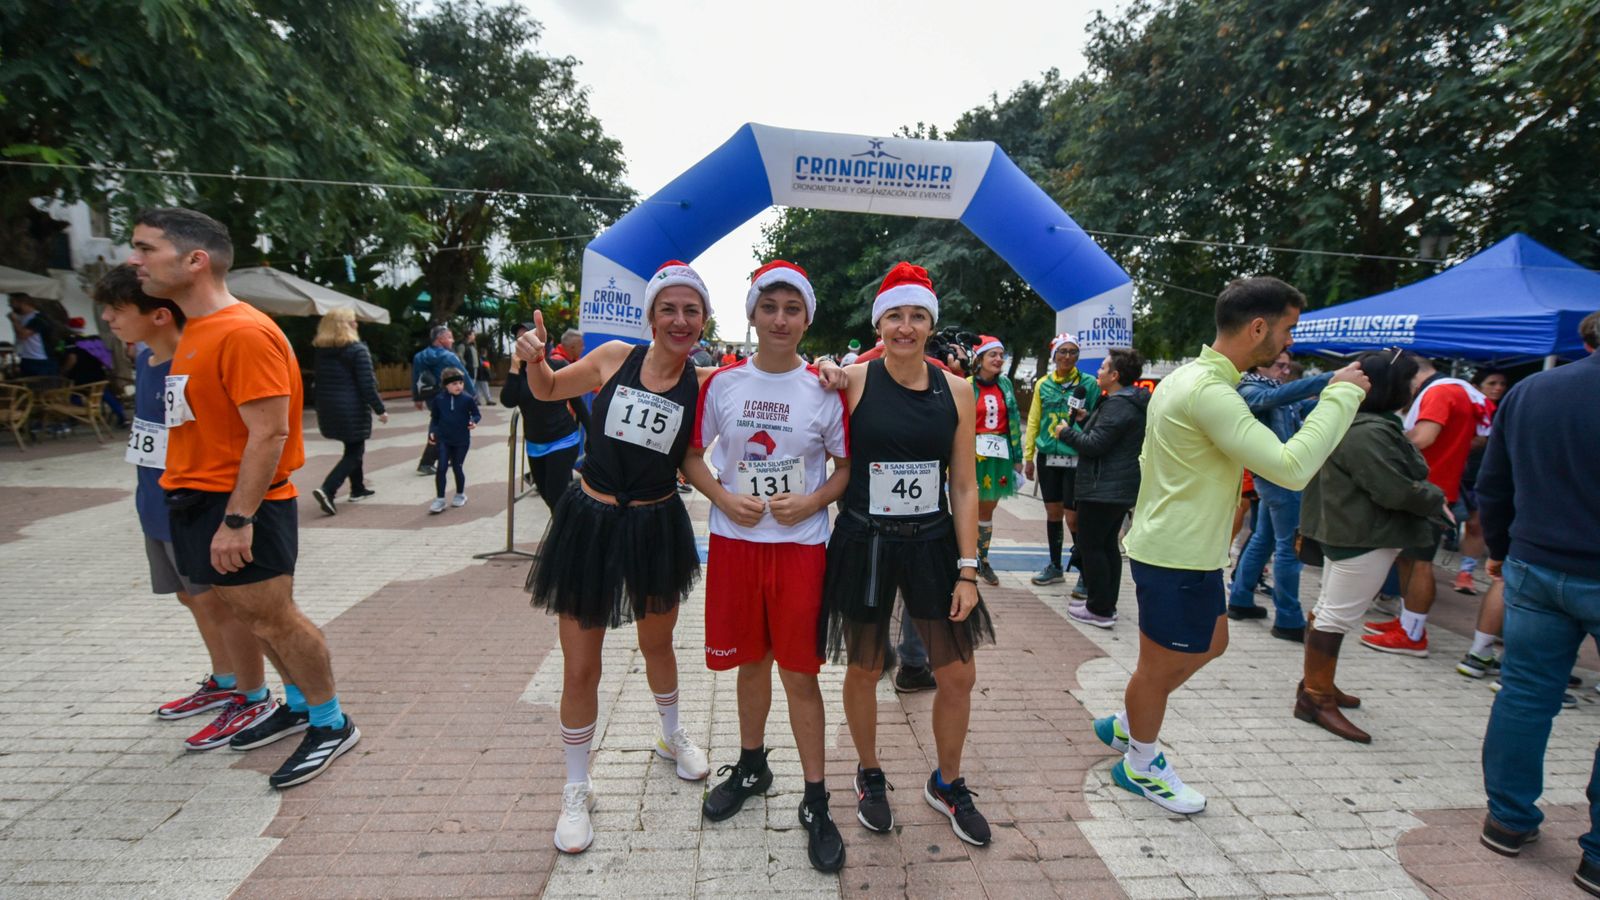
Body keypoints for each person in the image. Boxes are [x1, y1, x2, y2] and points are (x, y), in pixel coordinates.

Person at [1093, 276, 1368, 814]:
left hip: (1186, 549)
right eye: (1288, 330)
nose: (1290, 343)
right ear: (1258, 327)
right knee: (1157, 669)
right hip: (1174, 553)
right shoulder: (1208, 390)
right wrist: (1341, 394)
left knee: (1212, 644)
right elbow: (1290, 468)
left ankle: (1128, 722)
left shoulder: (1196, 377)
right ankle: (1140, 762)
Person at [130, 207, 357, 788]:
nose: (136, 262)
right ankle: (300, 705)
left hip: (237, 505)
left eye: (145, 249)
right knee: (249, 617)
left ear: (195, 260)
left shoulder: (243, 331)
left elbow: (271, 432)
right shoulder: (197, 329)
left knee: (275, 618)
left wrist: (238, 518)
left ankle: (331, 723)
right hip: (197, 500)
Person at [515, 260, 717, 855]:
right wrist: (535, 359)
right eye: (668, 309)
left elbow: (762, 392)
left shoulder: (703, 383)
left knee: (658, 644)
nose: (679, 320)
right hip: (590, 522)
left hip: (656, 523)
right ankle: (577, 786)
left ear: (704, 320)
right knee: (582, 666)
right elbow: (549, 389)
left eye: (691, 310)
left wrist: (836, 370)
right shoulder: (612, 360)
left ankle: (672, 735)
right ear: (652, 315)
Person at [683, 260, 849, 873]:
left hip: (802, 548)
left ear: (807, 318)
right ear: (752, 315)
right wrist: (724, 498)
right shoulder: (721, 384)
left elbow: (844, 468)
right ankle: (752, 765)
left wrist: (810, 501)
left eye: (793, 309)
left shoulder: (827, 388)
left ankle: (815, 799)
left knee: (800, 674)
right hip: (736, 543)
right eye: (769, 307)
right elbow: (694, 456)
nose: (780, 319)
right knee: (749, 664)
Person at [825, 261, 995, 847]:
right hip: (865, 541)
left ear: (930, 325)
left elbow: (966, 485)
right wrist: (823, 368)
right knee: (866, 668)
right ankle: (869, 774)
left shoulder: (957, 389)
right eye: (894, 315)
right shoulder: (850, 381)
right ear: (880, 323)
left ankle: (947, 782)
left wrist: (968, 568)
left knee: (958, 674)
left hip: (931, 543)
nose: (905, 326)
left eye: (917, 316)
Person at [97, 264, 272, 750]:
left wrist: (238, 515)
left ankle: (252, 694)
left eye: (117, 308)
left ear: (157, 314)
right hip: (154, 500)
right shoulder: (146, 361)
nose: (108, 317)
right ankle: (223, 679)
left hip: (197, 501)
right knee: (190, 598)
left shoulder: (196, 358)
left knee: (222, 601)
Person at [1476, 310, 1600, 897]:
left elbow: (1495, 482)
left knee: (1524, 695)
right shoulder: (1530, 390)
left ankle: (1507, 818)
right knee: (1524, 695)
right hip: (1556, 562)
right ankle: (1596, 858)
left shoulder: (1531, 391)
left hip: (1534, 563)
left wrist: (1501, 549)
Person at [1295, 350, 1446, 743]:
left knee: (1330, 611)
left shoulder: (1360, 423)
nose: (1415, 387)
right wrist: (1433, 497)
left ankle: (1316, 688)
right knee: (1334, 616)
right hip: (1361, 534)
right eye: (1410, 381)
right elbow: (1393, 489)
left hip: (1352, 530)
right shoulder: (1367, 430)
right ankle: (1316, 696)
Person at [1361, 354, 1489, 657]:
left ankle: (1414, 633)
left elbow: (1423, 437)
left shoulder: (1441, 391)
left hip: (1428, 490)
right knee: (1410, 559)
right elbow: (1478, 438)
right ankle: (1407, 624)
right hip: (1434, 486)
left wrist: (1378, 441)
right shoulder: (1459, 390)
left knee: (1419, 562)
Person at [1223, 351, 1334, 641]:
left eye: (1287, 366)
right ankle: (1288, 618)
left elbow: (1297, 408)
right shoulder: (1251, 388)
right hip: (1280, 478)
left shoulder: (1271, 389)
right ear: (1259, 363)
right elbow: (1276, 400)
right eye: (1279, 365)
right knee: (1288, 548)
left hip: (1276, 477)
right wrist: (1329, 380)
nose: (1285, 371)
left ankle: (1241, 599)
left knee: (1265, 538)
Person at [1057, 347, 1149, 628]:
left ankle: (1099, 609)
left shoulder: (1119, 405)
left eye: (1103, 367)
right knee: (1107, 545)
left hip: (1103, 489)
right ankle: (1103, 604)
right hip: (1114, 488)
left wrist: (1067, 432)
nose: (1098, 371)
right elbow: (1108, 436)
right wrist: (1085, 420)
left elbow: (1095, 445)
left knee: (1093, 545)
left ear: (1115, 374)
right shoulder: (1124, 402)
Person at [1023, 333, 1100, 591]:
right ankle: (1055, 566)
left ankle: (1084, 570)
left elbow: (1096, 420)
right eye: (1063, 352)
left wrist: (1084, 419)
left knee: (1074, 518)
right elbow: (1034, 419)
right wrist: (1029, 456)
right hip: (1048, 456)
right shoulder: (1043, 383)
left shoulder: (1088, 383)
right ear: (1054, 355)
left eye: (1073, 352)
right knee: (1053, 513)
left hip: (1076, 455)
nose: (1068, 357)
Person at [502, 324, 588, 514]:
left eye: (529, 337)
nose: (525, 343)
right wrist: (514, 368)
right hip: (535, 445)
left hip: (563, 440)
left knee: (557, 496)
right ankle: (570, 527)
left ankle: (566, 538)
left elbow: (578, 403)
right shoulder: (518, 374)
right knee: (547, 495)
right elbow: (508, 401)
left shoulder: (557, 366)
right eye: (520, 339)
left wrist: (595, 435)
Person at [309, 307, 386, 516]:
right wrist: (380, 409)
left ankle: (358, 488)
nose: (357, 324)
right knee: (354, 451)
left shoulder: (322, 351)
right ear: (345, 325)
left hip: (328, 407)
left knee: (352, 446)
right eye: (353, 321)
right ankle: (328, 489)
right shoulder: (357, 350)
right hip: (351, 407)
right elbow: (367, 383)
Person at [966, 335, 1023, 587]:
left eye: (1001, 355)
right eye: (993, 355)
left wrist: (1018, 457)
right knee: (966, 507)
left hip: (999, 454)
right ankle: (965, 558)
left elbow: (1013, 421)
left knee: (987, 509)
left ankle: (983, 558)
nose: (999, 359)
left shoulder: (1006, 385)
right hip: (970, 453)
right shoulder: (966, 385)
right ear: (979, 360)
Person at [1453, 367, 1507, 595]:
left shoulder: (1503, 410)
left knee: (1476, 525)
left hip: (1483, 476)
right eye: (1492, 383)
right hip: (1457, 473)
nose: (1498, 388)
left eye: (1502, 384)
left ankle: (1466, 573)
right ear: (1476, 386)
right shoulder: (1466, 407)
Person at [411, 325, 474, 476]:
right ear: (441, 339)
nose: (452, 341)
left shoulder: (419, 356)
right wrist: (472, 394)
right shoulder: (449, 357)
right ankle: (427, 462)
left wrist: (417, 398)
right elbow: (463, 375)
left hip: (431, 397)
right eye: (450, 337)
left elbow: (415, 378)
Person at [426, 368, 480, 513]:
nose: (459, 386)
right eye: (454, 384)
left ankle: (460, 494)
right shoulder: (439, 399)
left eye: (461, 383)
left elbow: (476, 414)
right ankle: (440, 499)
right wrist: (432, 432)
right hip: (443, 439)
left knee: (457, 466)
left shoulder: (467, 399)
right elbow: (435, 418)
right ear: (446, 385)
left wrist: (473, 421)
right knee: (441, 468)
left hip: (461, 440)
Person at [7, 293, 60, 376]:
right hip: (26, 358)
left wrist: (14, 321)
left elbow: (23, 335)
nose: (10, 305)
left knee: (40, 386)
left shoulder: (38, 318)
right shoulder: (21, 317)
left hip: (40, 360)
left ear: (23, 303)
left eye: (12, 302)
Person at [460, 326, 495, 406]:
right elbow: (460, 357)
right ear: (468, 336)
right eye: (473, 334)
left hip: (475, 368)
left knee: (474, 385)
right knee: (469, 385)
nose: (474, 336)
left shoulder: (472, 345)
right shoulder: (463, 345)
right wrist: (465, 366)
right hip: (469, 369)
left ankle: (474, 400)